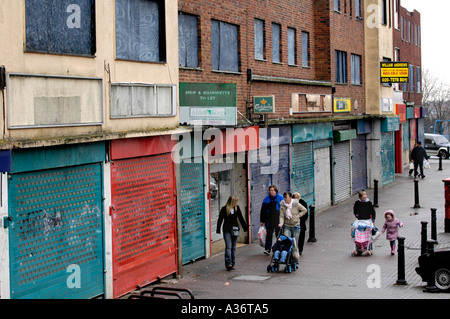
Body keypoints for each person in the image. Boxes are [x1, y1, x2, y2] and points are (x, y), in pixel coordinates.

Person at [216, 195, 248, 270]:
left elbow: (241, 218)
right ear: (232, 202)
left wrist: (245, 228)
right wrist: (218, 229)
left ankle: (233, 264)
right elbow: (220, 219)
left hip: (235, 230)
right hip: (227, 230)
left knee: (233, 247)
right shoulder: (224, 209)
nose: (237, 203)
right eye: (236, 202)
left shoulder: (237, 208)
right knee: (228, 246)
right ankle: (228, 263)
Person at [260, 185, 284, 255]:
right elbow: (263, 210)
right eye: (270, 190)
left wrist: (283, 220)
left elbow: (283, 209)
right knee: (269, 235)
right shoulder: (266, 199)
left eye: (272, 190)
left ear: (275, 191)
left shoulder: (280, 198)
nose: (271, 192)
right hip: (269, 220)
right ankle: (267, 249)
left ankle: (280, 248)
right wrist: (262, 220)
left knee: (279, 235)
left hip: (278, 220)